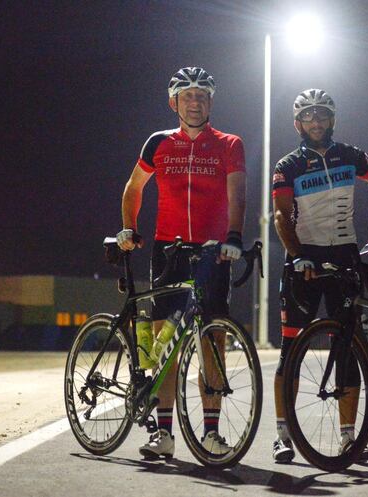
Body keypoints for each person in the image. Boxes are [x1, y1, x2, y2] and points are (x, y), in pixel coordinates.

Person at [116, 67, 247, 459]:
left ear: (211, 102)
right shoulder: (158, 143)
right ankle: (164, 433)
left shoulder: (229, 143)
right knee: (164, 344)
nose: (195, 102)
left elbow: (237, 193)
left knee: (213, 339)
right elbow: (133, 188)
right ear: (173, 102)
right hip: (167, 250)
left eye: (203, 95)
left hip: (212, 251)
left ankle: (210, 433)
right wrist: (128, 228)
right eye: (188, 95)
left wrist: (235, 237)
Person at [271, 88, 368, 463]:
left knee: (346, 347)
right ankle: (282, 436)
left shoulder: (350, 156)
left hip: (344, 253)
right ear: (297, 123)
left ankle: (348, 439)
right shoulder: (288, 164)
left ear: (332, 119)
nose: (316, 121)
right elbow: (280, 215)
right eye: (308, 116)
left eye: (322, 114)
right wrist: (297, 256)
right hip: (303, 257)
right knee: (290, 348)